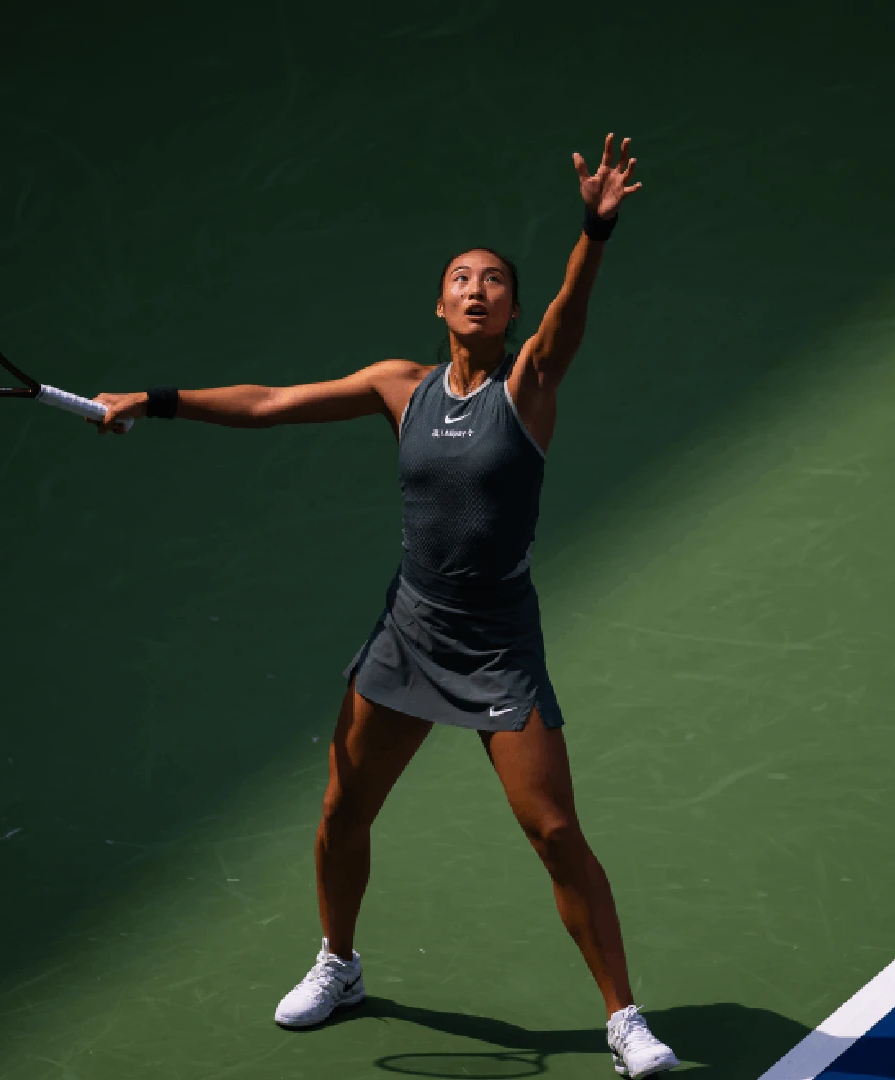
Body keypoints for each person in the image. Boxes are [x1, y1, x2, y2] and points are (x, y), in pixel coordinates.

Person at [94, 133, 678, 1078]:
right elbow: (270, 403)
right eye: (460, 276)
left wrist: (594, 230)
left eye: (494, 279)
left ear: (513, 307)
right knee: (342, 811)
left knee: (556, 832)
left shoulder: (527, 385)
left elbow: (571, 314)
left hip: (496, 643)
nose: (477, 287)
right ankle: (340, 964)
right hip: (408, 636)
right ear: (440, 302)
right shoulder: (395, 386)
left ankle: (624, 1020)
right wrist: (153, 398)